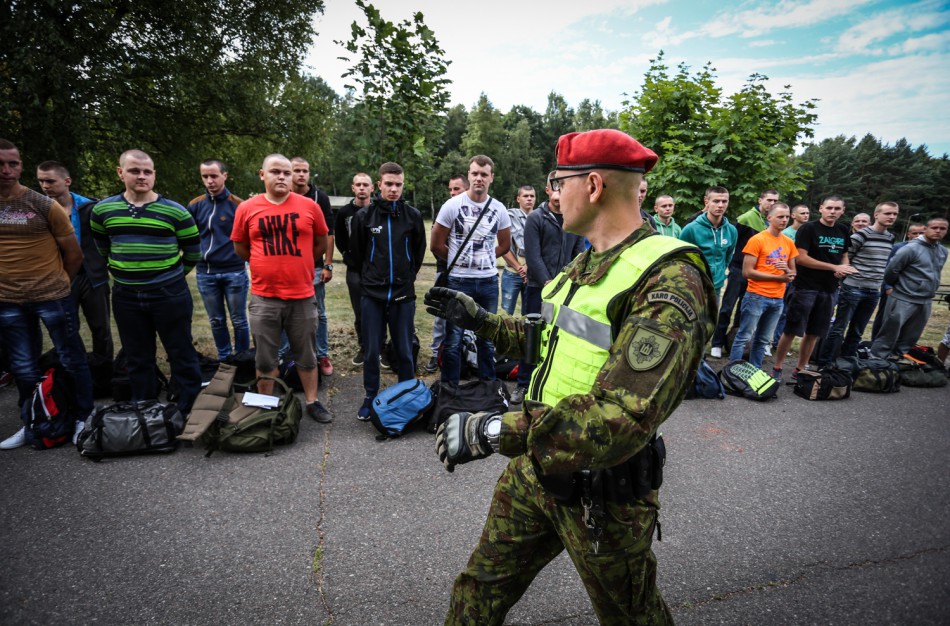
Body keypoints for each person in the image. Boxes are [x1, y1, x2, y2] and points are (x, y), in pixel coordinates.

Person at [424, 128, 715, 625]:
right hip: (537, 467)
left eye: (559, 182)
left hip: (603, 493)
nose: (553, 194)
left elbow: (623, 418)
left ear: (593, 185)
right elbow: (551, 335)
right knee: (479, 588)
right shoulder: (588, 259)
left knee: (631, 614)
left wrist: (495, 430)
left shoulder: (669, 279)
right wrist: (481, 320)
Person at [90, 149, 203, 415]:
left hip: (168, 293)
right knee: (136, 356)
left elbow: (193, 252)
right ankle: (145, 411)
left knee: (182, 353)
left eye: (147, 171)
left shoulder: (175, 211)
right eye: (134, 171)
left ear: (154, 175)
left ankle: (189, 410)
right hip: (126, 295)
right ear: (120, 173)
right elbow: (103, 248)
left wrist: (168, 277)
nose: (142, 176)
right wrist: (126, 272)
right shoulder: (103, 210)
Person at [0, 140, 94, 449]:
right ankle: (33, 422)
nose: (7, 170)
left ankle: (84, 416)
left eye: (13, 163)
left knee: (71, 357)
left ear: (21, 165)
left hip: (52, 297)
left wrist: (59, 285)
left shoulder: (42, 205)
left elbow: (74, 254)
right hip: (8, 301)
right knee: (23, 366)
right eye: (1, 164)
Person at [231, 154, 331, 423]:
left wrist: (299, 262)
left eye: (287, 173)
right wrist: (267, 263)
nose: (283, 177)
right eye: (275, 172)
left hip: (302, 295)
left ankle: (312, 401)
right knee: (265, 358)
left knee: (306, 355)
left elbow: (321, 243)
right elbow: (241, 248)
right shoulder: (247, 208)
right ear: (262, 175)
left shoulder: (309, 206)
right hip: (265, 298)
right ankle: (265, 405)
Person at [349, 162, 426, 420]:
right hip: (372, 294)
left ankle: (408, 396)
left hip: (403, 294)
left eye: (399, 185)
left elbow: (418, 251)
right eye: (389, 184)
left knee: (404, 350)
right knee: (371, 351)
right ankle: (370, 396)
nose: (394, 189)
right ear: (379, 184)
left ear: (403, 185)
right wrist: (372, 280)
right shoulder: (364, 217)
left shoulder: (412, 216)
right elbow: (358, 255)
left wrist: (406, 277)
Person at [430, 155, 511, 385]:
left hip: (487, 282)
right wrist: (460, 259)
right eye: (475, 173)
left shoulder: (499, 209)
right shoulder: (452, 206)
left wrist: (483, 259)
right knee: (454, 339)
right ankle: (450, 389)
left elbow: (505, 245)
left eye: (484, 174)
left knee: (487, 338)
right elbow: (436, 245)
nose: (479, 178)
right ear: (468, 176)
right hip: (458, 282)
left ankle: (488, 388)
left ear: (491, 178)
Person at [510, 171, 586, 404]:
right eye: (554, 186)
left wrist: (567, 281)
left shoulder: (574, 217)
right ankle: (523, 385)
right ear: (547, 189)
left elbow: (579, 253)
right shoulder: (536, 218)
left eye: (562, 186)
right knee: (532, 336)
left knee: (561, 337)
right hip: (537, 288)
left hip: (566, 289)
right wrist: (548, 283)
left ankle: (552, 384)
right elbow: (533, 256)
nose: (558, 191)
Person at [36, 161, 114, 368]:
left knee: (101, 328)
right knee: (67, 328)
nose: (45, 186)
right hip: (59, 277)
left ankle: (104, 372)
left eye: (50, 181)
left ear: (66, 181)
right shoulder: (39, 210)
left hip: (92, 277)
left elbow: (107, 241)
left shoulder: (91, 208)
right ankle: (73, 371)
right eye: (41, 181)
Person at [772, 196, 855, 381]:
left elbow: (844, 255)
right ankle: (777, 367)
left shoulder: (843, 230)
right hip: (805, 287)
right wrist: (834, 267)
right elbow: (801, 258)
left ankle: (801, 369)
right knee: (792, 330)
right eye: (829, 208)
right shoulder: (808, 228)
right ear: (821, 208)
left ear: (843, 210)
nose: (833, 211)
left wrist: (844, 269)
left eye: (837, 208)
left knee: (814, 332)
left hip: (829, 288)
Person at [818, 201, 899, 365]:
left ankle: (846, 364)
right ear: (876, 215)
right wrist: (842, 280)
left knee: (857, 330)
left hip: (874, 290)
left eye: (895, 214)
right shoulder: (860, 236)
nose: (891, 217)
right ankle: (825, 363)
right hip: (853, 288)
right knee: (839, 328)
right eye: (887, 213)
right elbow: (845, 259)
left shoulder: (890, 237)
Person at [186, 159, 249, 360]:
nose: (210, 181)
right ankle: (224, 358)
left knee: (239, 320)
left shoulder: (239, 205)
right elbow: (189, 237)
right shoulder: (195, 205)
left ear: (225, 175)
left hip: (234, 271)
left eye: (214, 176)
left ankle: (241, 358)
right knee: (216, 320)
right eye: (205, 176)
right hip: (206, 273)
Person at [707, 189, 779, 358]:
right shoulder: (746, 218)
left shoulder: (770, 222)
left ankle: (733, 343)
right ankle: (717, 343)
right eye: (769, 200)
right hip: (739, 270)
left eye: (775, 201)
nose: (772, 203)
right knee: (727, 307)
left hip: (755, 273)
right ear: (760, 200)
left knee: (744, 309)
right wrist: (732, 265)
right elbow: (732, 243)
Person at [728, 202, 798, 372]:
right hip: (756, 296)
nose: (784, 220)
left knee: (762, 340)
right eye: (780, 217)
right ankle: (733, 373)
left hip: (777, 299)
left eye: (787, 217)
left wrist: (786, 270)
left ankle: (755, 373)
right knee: (744, 337)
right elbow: (747, 272)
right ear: (769, 218)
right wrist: (778, 277)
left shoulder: (788, 242)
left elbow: (793, 273)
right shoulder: (757, 239)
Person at [869, 217, 948, 359]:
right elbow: (891, 271)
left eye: (942, 229)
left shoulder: (943, 251)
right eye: (934, 227)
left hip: (925, 301)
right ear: (926, 229)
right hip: (903, 298)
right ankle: (874, 365)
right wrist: (897, 287)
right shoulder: (910, 249)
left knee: (910, 338)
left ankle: (895, 363)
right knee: (888, 335)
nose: (938, 231)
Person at [291, 156, 335, 377]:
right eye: (296, 170)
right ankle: (287, 356)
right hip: (289, 267)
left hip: (315, 266)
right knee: (286, 313)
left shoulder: (320, 197)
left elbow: (329, 234)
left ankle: (322, 354)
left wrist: (328, 265)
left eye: (305, 170)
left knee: (319, 312)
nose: (301, 174)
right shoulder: (281, 197)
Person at [425, 175, 470, 374]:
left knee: (468, 316)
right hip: (445, 272)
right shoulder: (445, 210)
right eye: (451, 189)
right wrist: (454, 261)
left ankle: (466, 354)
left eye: (457, 189)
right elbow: (436, 245)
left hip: (470, 275)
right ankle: (436, 353)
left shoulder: (473, 212)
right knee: (441, 316)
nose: (452, 193)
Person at [334, 172, 374, 366]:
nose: (361, 188)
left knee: (379, 310)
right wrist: (347, 255)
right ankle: (364, 347)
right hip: (354, 270)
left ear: (372, 188)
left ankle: (379, 346)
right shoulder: (344, 213)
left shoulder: (377, 210)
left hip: (375, 269)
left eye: (365, 185)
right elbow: (340, 238)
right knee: (360, 311)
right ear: (353, 188)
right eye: (358, 185)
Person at [678, 186, 738, 302]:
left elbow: (728, 256)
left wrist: (719, 272)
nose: (720, 205)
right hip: (694, 287)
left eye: (724, 201)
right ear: (707, 201)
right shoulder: (691, 229)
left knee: (712, 320)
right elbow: (681, 258)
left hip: (717, 286)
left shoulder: (731, 230)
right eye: (716, 201)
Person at [870, 222, 926, 338]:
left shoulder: (929, 250)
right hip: (894, 289)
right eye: (915, 233)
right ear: (909, 234)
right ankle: (875, 342)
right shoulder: (899, 248)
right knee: (884, 317)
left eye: (921, 233)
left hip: (913, 291)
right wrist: (888, 287)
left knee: (904, 321)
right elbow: (888, 268)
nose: (918, 235)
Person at [500, 186, 535, 315]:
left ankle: (526, 336)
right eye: (526, 196)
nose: (529, 199)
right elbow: (503, 248)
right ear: (518, 199)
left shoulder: (540, 218)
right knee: (506, 313)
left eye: (532, 196)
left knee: (530, 315)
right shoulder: (509, 217)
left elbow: (544, 247)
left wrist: (528, 267)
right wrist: (521, 269)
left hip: (533, 274)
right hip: (511, 273)